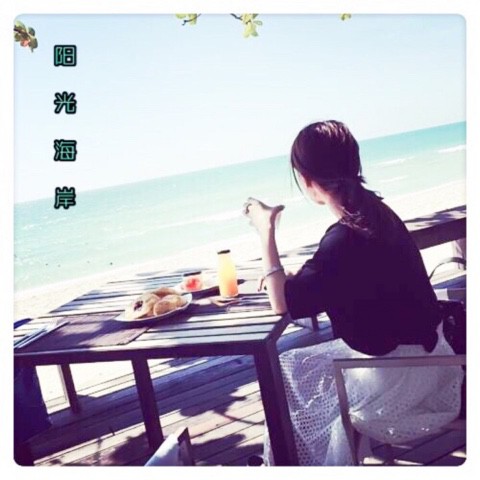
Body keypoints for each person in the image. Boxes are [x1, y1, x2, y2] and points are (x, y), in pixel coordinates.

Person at [243, 120, 463, 466]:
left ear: (307, 180)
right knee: (301, 370)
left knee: (288, 372)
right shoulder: (377, 214)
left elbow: (280, 302)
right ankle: (292, 460)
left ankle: (290, 463)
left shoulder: (342, 240)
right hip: (433, 359)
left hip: (402, 380)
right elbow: (349, 274)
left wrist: (265, 229)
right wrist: (302, 275)